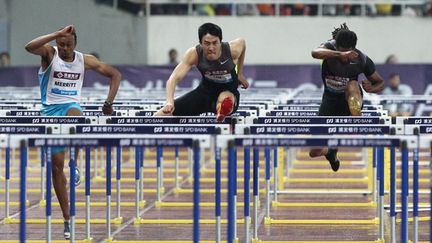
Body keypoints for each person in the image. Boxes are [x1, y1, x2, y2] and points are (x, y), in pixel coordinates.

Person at [25, 25, 121, 239]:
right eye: (62, 44)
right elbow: (29, 47)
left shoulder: (84, 60)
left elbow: (115, 75)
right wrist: (55, 35)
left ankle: (75, 163)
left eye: (68, 45)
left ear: (75, 44)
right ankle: (67, 218)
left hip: (70, 106)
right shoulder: (50, 53)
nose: (65, 49)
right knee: (56, 168)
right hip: (50, 112)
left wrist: (108, 103)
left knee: (77, 116)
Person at [309, 23, 384, 172]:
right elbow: (314, 52)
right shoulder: (330, 47)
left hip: (350, 98)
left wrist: (372, 88)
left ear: (353, 50)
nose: (344, 56)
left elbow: (380, 83)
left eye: (346, 53)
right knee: (314, 152)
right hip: (329, 101)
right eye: (340, 51)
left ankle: (355, 116)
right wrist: (339, 54)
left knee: (352, 84)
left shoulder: (362, 59)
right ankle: (330, 153)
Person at [155, 22, 248, 121]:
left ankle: (221, 111)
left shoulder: (232, 50)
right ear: (200, 43)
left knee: (225, 99)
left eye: (215, 43)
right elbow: (173, 78)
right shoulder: (194, 54)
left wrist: (239, 74)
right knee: (162, 114)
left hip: (229, 92)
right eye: (207, 43)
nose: (211, 48)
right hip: (204, 93)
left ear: (220, 41)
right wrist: (169, 102)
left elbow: (243, 43)